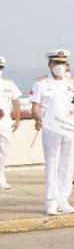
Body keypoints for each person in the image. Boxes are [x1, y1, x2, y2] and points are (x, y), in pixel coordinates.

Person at [29, 49, 74, 215]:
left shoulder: (72, 83)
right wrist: (38, 120)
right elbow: (35, 107)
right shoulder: (41, 83)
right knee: (52, 165)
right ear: (50, 64)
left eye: (62, 63)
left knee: (67, 165)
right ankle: (51, 202)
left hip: (69, 128)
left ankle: (63, 199)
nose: (59, 66)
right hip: (51, 128)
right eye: (56, 63)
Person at [0, 56, 21, 190]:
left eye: (0, 68)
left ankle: (0, 178)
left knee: (3, 151)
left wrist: (18, 118)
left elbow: (16, 101)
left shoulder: (9, 84)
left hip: (4, 122)